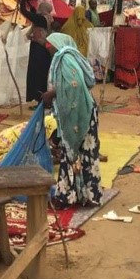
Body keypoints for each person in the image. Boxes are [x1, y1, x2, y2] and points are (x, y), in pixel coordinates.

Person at [39, 34, 101, 208]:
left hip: (81, 113)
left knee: (72, 151)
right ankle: (87, 195)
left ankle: (68, 196)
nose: (48, 49)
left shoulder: (64, 58)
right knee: (85, 153)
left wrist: (52, 94)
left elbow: (76, 84)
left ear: (57, 45)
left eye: (49, 45)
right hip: (86, 110)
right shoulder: (72, 56)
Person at [18, 0, 54, 107]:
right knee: (42, 75)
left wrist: (22, 2)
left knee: (36, 75)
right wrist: (26, 1)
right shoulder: (48, 18)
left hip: (38, 49)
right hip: (44, 50)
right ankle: (42, 100)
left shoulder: (41, 19)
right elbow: (33, 12)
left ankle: (40, 100)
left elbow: (26, 13)